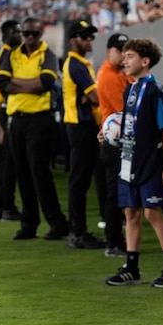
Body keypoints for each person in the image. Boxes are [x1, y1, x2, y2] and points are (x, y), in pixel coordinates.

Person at [105, 38, 163, 288]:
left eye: (129, 56)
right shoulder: (130, 89)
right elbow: (130, 122)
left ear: (145, 61)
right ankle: (132, 268)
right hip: (129, 161)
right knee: (130, 212)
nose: (124, 60)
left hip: (151, 162)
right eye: (124, 56)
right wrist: (108, 133)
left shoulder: (154, 90)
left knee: (152, 213)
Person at [0, 17, 70, 241]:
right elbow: (1, 83)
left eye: (34, 34)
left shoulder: (48, 55)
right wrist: (31, 85)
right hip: (17, 120)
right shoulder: (11, 54)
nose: (29, 37)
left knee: (39, 172)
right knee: (22, 173)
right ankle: (29, 224)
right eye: (26, 33)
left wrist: (16, 83)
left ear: (41, 34)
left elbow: (45, 83)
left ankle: (56, 222)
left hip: (40, 120)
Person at [62, 20, 106, 250]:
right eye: (84, 37)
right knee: (79, 180)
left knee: (81, 179)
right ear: (73, 41)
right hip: (81, 126)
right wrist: (94, 96)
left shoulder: (79, 63)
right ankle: (77, 232)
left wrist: (92, 96)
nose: (89, 40)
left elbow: (93, 96)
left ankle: (78, 231)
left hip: (82, 125)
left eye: (90, 37)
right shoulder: (77, 64)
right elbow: (97, 97)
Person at [96, 32, 134, 257]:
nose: (122, 54)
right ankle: (113, 241)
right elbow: (126, 108)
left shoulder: (120, 73)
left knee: (119, 192)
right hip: (114, 142)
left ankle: (117, 239)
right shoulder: (109, 75)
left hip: (120, 140)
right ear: (108, 51)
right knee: (114, 192)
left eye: (126, 50)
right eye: (119, 50)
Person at [0, 20, 23, 222]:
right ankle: (4, 206)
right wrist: (1, 128)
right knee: (6, 162)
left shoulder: (4, 56)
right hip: (0, 112)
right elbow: (0, 96)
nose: (21, 36)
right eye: (17, 32)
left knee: (0, 160)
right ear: (7, 34)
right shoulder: (5, 57)